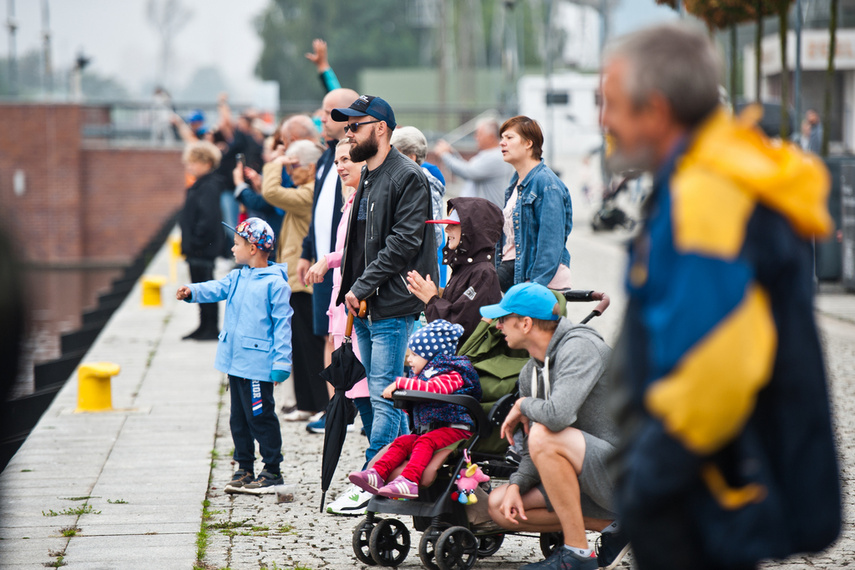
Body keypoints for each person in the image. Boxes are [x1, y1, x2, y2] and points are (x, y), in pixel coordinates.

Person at [600, 23, 840, 570]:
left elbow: (717, 366)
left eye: (612, 104)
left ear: (656, 110)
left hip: (699, 493)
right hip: (707, 484)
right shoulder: (708, 178)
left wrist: (649, 479)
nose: (605, 122)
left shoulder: (706, 197)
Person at [481, 283, 626, 570]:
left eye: (502, 319)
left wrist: (522, 405)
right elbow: (534, 446)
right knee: (500, 506)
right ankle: (616, 526)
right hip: (586, 477)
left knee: (546, 434)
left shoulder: (580, 347)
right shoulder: (529, 372)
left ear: (525, 323)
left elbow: (557, 417)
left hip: (624, 474)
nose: (497, 326)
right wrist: (516, 484)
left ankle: (577, 555)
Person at [333, 94, 439, 464]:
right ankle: (402, 467)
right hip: (364, 304)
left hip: (392, 302)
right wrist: (351, 290)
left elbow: (404, 241)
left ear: (380, 128)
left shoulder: (407, 176)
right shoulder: (370, 176)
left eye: (355, 127)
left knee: (384, 391)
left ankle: (376, 469)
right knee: (382, 390)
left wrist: (361, 286)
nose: (348, 134)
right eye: (346, 127)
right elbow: (359, 244)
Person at [176, 217, 292, 495]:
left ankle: (272, 469)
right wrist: (192, 291)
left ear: (253, 248)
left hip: (257, 366)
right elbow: (216, 288)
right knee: (237, 418)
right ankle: (244, 465)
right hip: (235, 363)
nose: (232, 248)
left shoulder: (275, 285)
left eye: (237, 243)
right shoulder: (238, 276)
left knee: (260, 416)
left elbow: (283, 326)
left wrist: (281, 363)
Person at [305, 138, 374, 515]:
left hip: (355, 311)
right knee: (355, 394)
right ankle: (372, 473)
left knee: (366, 397)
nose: (340, 166)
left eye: (346, 160)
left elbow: (363, 251)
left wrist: (328, 261)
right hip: (341, 311)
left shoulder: (364, 202)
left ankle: (372, 475)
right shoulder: (351, 201)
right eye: (336, 161)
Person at [348, 320, 480, 499]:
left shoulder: (452, 373)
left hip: (456, 429)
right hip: (433, 431)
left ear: (433, 356)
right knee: (403, 441)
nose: (409, 359)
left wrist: (401, 384)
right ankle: (377, 474)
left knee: (425, 442)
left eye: (415, 355)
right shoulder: (424, 375)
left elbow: (436, 389)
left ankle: (409, 481)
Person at [296, 87, 360, 434]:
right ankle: (333, 407)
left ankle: (344, 410)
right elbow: (317, 210)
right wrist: (308, 251)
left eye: (328, 111)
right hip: (323, 259)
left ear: (345, 117)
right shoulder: (327, 157)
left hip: (340, 264)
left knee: (341, 338)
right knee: (327, 336)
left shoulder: (352, 157)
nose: (321, 117)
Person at [262, 139, 329, 421]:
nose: (291, 172)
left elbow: (271, 192)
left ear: (312, 167)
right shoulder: (305, 191)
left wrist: (274, 164)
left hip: (304, 280)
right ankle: (307, 404)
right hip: (294, 278)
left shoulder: (311, 193)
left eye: (294, 166)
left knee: (310, 345)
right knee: (298, 345)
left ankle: (320, 403)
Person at [406, 197, 503, 346]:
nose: (446, 229)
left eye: (453, 225)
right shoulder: (465, 267)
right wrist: (436, 295)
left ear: (471, 231)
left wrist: (432, 299)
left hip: (468, 365)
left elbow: (459, 326)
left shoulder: (483, 273)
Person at [496, 116, 573, 293]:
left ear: (528, 143)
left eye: (509, 138)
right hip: (516, 275)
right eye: (502, 138)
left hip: (539, 283)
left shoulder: (546, 184)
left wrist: (535, 287)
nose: (502, 143)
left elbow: (550, 244)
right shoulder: (516, 183)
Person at [179, 140, 226, 340]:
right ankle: (203, 325)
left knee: (204, 285)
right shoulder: (201, 185)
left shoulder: (209, 186)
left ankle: (210, 327)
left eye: (194, 162)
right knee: (197, 285)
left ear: (207, 163)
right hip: (196, 247)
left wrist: (197, 242)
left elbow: (207, 218)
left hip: (201, 248)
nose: (190, 166)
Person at [390, 126, 446, 285]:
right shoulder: (401, 182)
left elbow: (433, 233)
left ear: (412, 157)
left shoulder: (425, 183)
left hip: (419, 275)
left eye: (395, 154)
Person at [434, 117, 513, 208]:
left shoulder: (496, 157)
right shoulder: (486, 154)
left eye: (479, 134)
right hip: (482, 216)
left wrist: (444, 155)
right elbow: (467, 167)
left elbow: (468, 172)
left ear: (491, 137)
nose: (476, 137)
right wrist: (451, 152)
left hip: (490, 218)